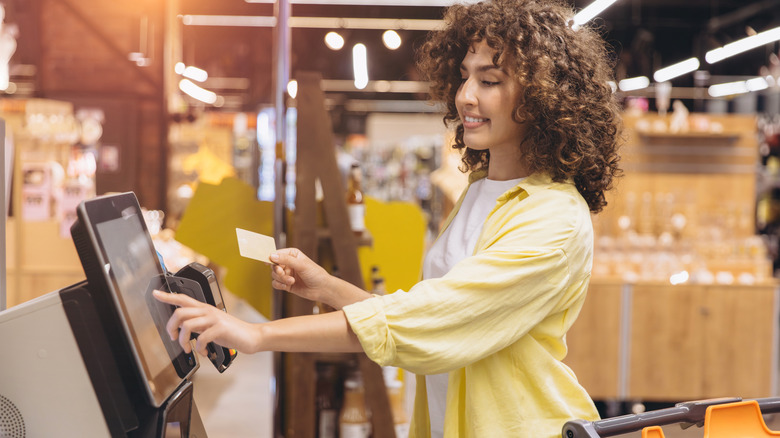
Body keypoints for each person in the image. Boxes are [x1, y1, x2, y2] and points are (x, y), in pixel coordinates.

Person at [154, 0, 622, 436]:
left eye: (490, 81)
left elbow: (433, 320)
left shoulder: (555, 219)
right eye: (464, 77)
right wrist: (326, 287)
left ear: (543, 97)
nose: (465, 96)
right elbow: (416, 319)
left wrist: (256, 335)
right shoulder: (480, 192)